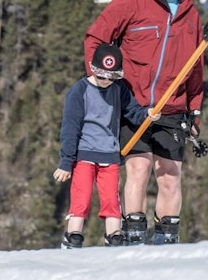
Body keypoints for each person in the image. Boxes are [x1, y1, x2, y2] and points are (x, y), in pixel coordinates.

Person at [83, 0, 204, 245]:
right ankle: (134, 236)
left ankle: (166, 240)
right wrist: (100, 83)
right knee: (139, 167)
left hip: (172, 108)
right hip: (133, 104)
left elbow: (196, 68)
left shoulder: (191, 16)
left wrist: (195, 110)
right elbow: (96, 38)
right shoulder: (130, 1)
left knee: (170, 175)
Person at [54, 43, 157, 248]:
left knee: (111, 199)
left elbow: (133, 111)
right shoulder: (79, 91)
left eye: (112, 77)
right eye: (102, 76)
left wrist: (147, 114)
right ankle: (73, 234)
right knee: (81, 197)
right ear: (93, 69)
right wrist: (66, 162)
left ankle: (114, 234)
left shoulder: (119, 89)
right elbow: (70, 128)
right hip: (84, 154)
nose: (106, 81)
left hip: (109, 154)